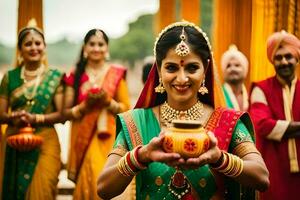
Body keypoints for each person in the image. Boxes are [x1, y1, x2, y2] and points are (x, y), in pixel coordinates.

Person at [97, 21, 269, 200]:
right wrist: (141, 155)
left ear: (206, 69)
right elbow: (104, 188)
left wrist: (219, 159)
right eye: (171, 67)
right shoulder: (137, 122)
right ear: (159, 69)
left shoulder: (228, 121)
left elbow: (261, 178)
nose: (181, 78)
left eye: (192, 68)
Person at [63, 28, 130, 199]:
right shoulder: (75, 75)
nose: (96, 48)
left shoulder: (115, 74)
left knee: (99, 175)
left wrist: (108, 102)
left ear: (107, 49)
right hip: (81, 135)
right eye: (92, 44)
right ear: (85, 48)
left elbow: (126, 110)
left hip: (107, 136)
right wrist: (86, 106)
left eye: (101, 44)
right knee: (87, 179)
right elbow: (65, 113)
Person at [0, 24, 64, 199]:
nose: (34, 47)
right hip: (15, 139)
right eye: (28, 44)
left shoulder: (55, 76)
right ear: (20, 49)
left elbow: (62, 114)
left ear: (44, 47)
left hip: (46, 139)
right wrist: (14, 117)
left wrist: (34, 117)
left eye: (38, 43)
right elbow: (1, 115)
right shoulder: (9, 77)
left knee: (43, 188)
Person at [249, 31, 300, 200]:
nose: (284, 62)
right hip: (274, 168)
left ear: (297, 59)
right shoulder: (260, 88)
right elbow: (263, 125)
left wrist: (281, 127)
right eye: (278, 58)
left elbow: (272, 126)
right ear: (272, 60)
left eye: (288, 56)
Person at [221, 45, 249, 111]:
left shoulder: (250, 95)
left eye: (237, 65)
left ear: (245, 70)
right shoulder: (218, 95)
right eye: (228, 66)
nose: (232, 69)